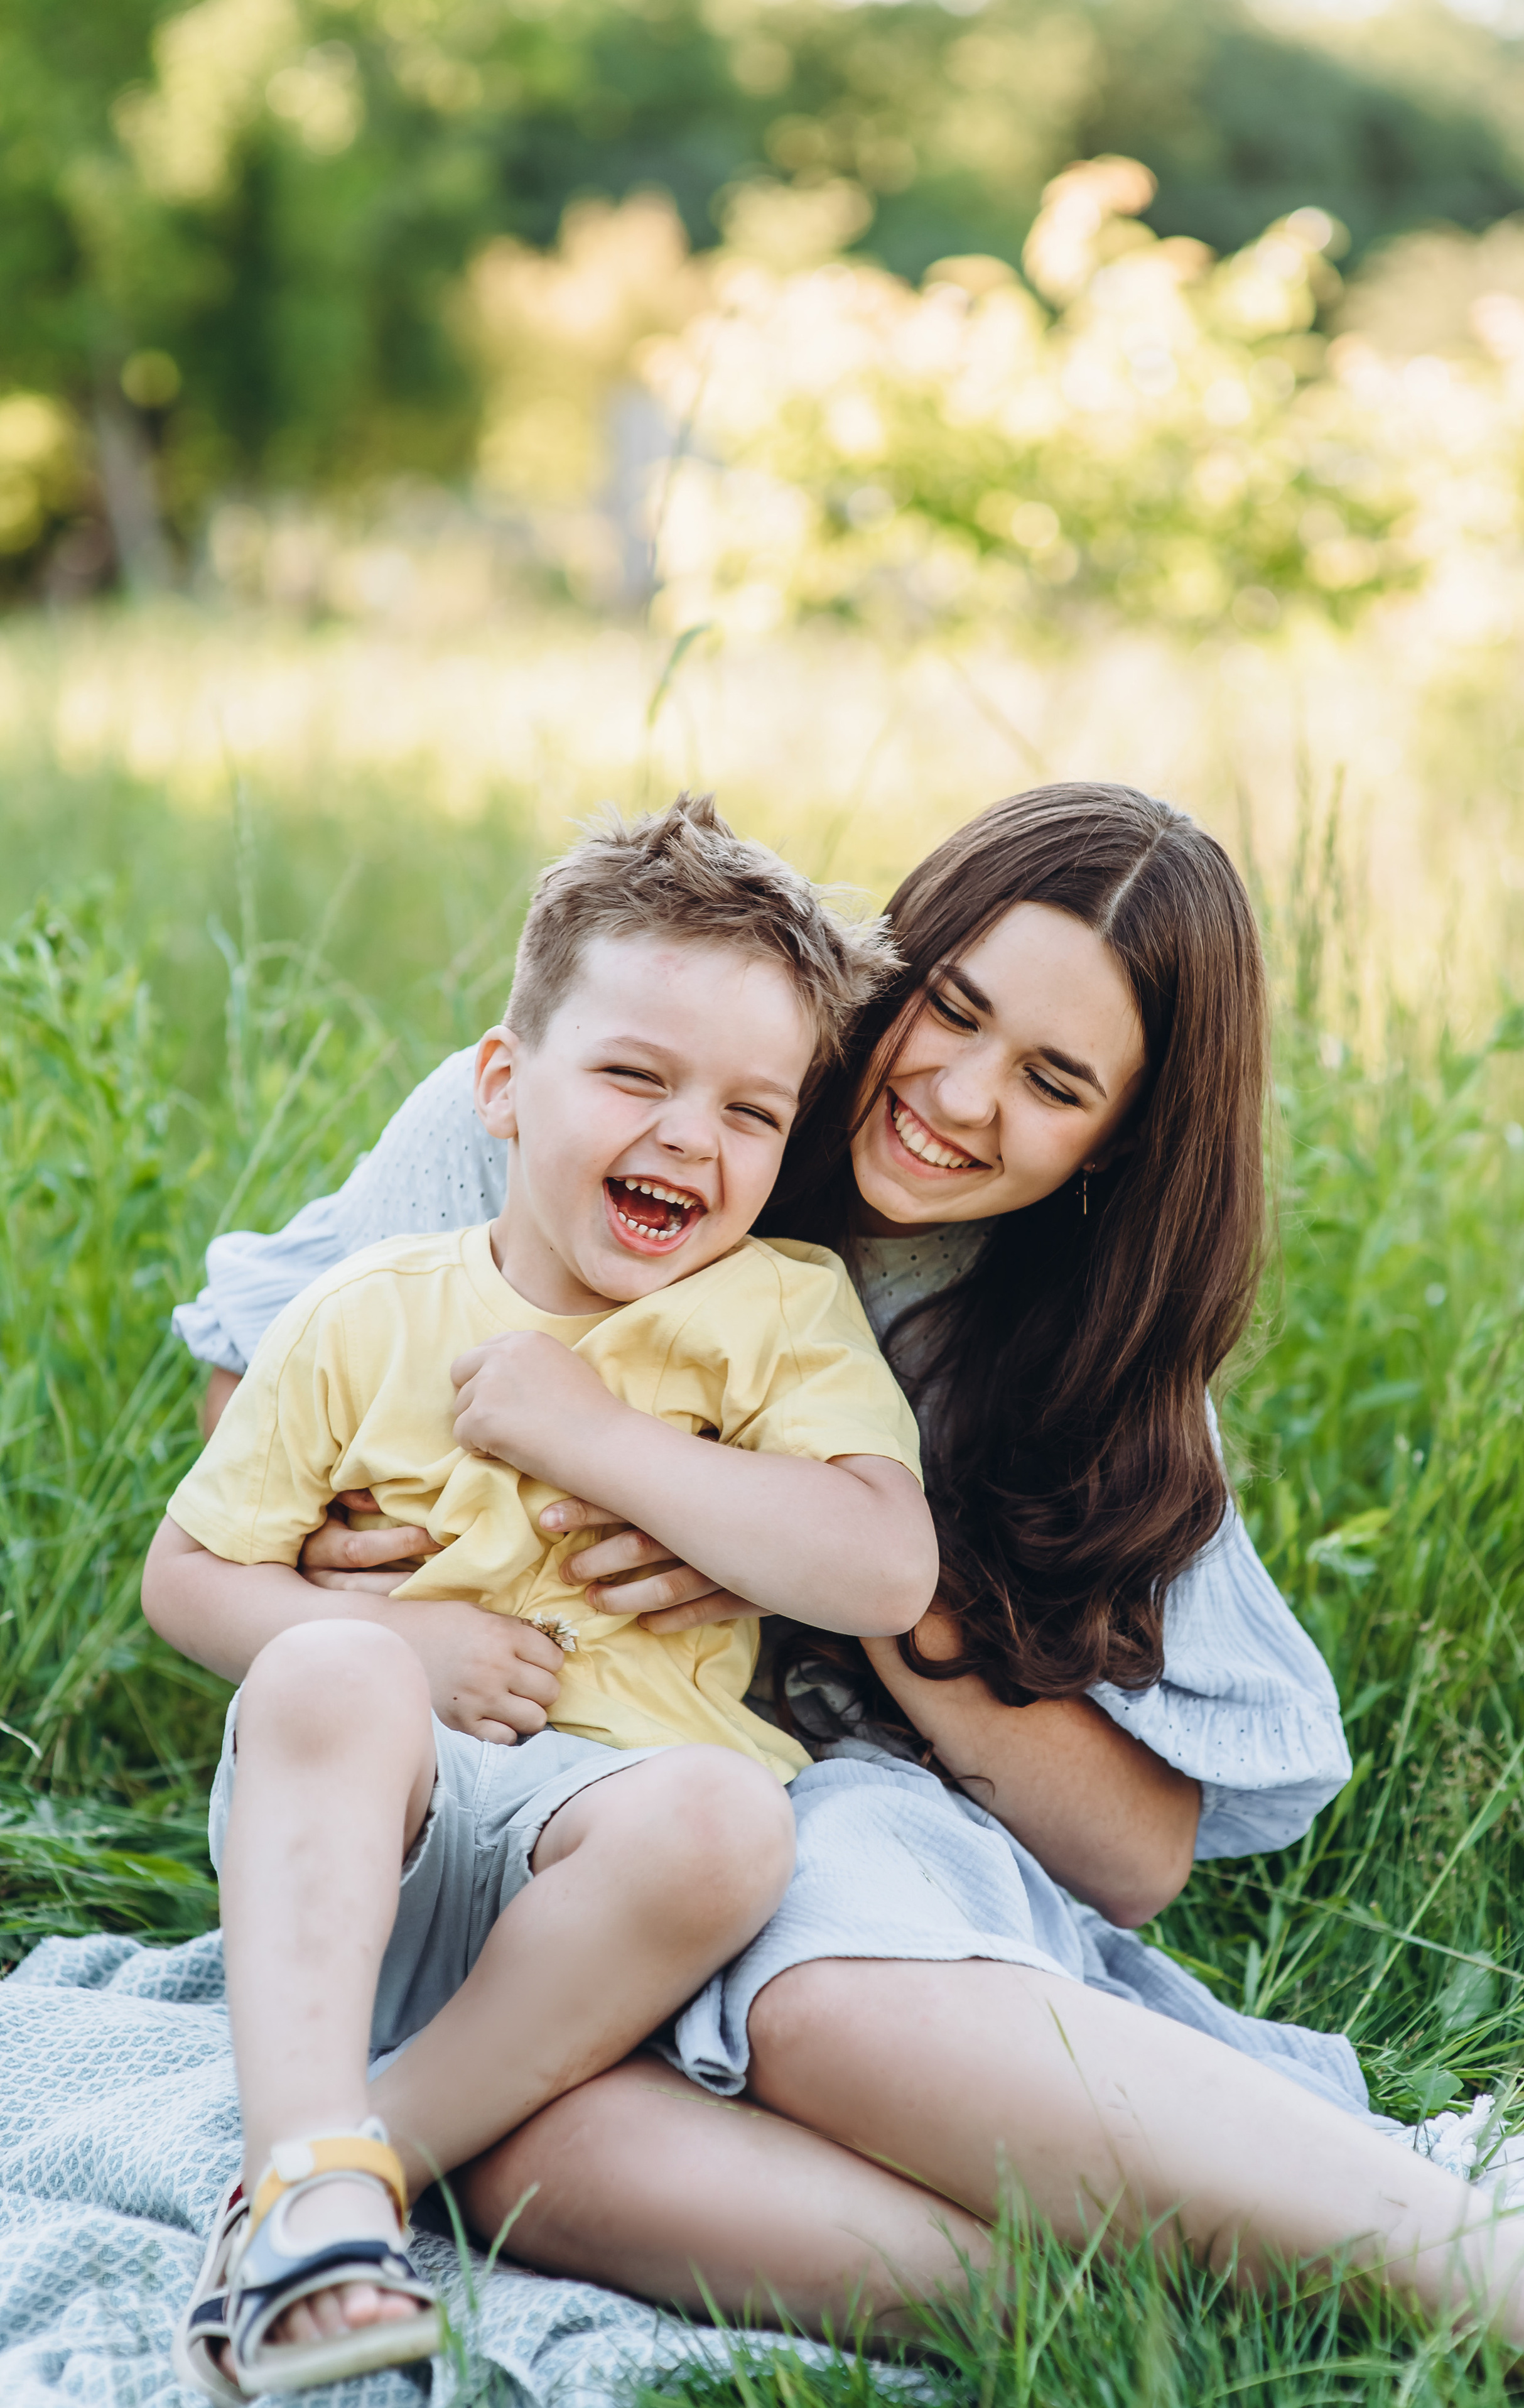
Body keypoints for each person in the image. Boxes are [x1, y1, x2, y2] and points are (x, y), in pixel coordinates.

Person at [178, 783, 1524, 2358]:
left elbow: (1137, 1852)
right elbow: (257, 1402)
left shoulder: (1082, 1348)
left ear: (1116, 1142)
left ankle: (1492, 2288)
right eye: (953, 1010)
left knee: (818, 1975)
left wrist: (770, 1546)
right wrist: (370, 1600)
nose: (958, 1093)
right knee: (529, 2156)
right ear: (885, 970)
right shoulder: (598, 1090)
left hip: (804, 1803)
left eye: (1054, 1080)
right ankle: (1145, 2311)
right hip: (492, 1793)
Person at [143, 796, 938, 2397]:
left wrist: (598, 1438)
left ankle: (327, 2189)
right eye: (635, 1076)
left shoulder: (780, 1313)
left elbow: (883, 1565)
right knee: (331, 1677)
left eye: (748, 1112)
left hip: (613, 1903)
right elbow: (187, 1575)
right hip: (372, 1846)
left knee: (729, 1820)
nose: (687, 1140)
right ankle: (316, 2170)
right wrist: (397, 1638)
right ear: (504, 1089)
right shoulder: (376, 1312)